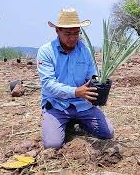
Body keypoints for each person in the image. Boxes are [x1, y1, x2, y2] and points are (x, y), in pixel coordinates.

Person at [36, 8, 114, 149]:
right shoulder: (46, 52)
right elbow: (48, 84)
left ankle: (79, 122)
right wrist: (76, 92)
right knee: (53, 144)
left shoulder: (85, 50)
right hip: (57, 105)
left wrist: (99, 86)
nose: (72, 38)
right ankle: (57, 121)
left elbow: (92, 76)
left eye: (76, 33)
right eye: (67, 34)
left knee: (107, 133)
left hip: (82, 104)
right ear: (57, 31)